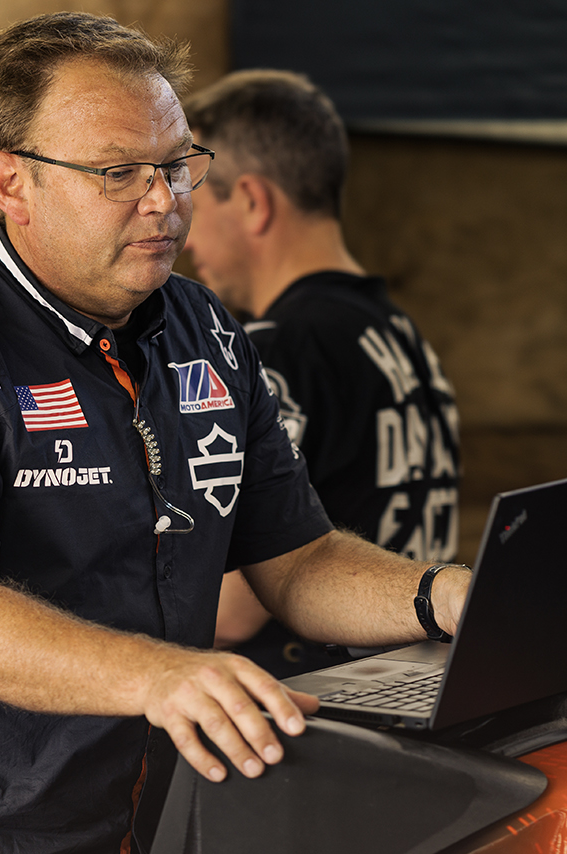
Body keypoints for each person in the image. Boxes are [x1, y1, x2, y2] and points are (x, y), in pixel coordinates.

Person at [0, 13, 472, 854]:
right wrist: (164, 673)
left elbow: (296, 559)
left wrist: (442, 595)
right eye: (117, 172)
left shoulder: (206, 325)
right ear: (11, 182)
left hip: (152, 824)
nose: (163, 200)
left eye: (176, 165)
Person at [183, 71, 463, 677]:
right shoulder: (398, 335)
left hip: (321, 701)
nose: (183, 235)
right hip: (418, 673)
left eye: (196, 201)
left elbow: (228, 611)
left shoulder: (279, 349)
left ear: (253, 202)